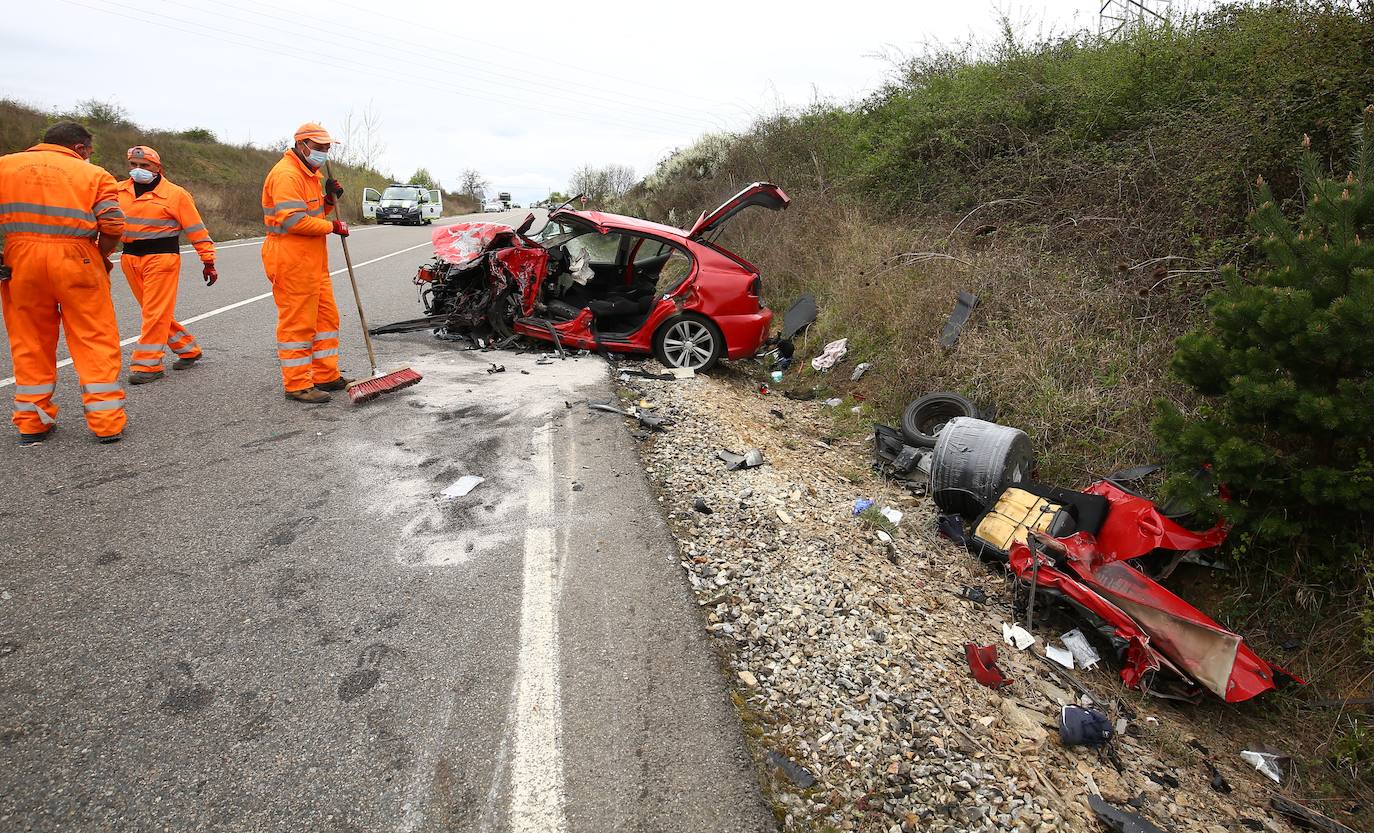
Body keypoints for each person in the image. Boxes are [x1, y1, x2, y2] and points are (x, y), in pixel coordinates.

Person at [0, 121, 127, 444]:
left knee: (29, 341)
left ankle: (32, 422)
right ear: (81, 148)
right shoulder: (94, 175)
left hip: (20, 258)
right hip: (77, 257)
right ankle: (106, 422)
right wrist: (99, 254)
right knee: (94, 338)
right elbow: (112, 224)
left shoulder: (5, 166)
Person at [260, 122, 349, 403]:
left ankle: (325, 374)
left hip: (312, 259)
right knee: (298, 323)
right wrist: (332, 228)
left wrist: (329, 200)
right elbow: (295, 221)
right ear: (302, 145)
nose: (324, 153)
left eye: (327, 149)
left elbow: (313, 212)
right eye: (320, 148)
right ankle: (297, 384)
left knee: (326, 318)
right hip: (291, 257)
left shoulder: (309, 173)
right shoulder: (287, 175)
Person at [116, 145, 217, 384]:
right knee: (154, 312)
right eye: (133, 165)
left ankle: (147, 365)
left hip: (161, 258)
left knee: (154, 312)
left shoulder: (175, 194)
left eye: (144, 166)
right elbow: (108, 225)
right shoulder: (116, 191)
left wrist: (208, 260)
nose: (138, 170)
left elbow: (196, 229)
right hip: (129, 258)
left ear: (158, 168)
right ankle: (187, 348)